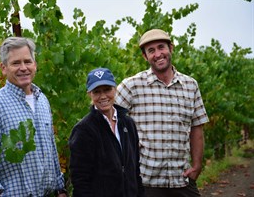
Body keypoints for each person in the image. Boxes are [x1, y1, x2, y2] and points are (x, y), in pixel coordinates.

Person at [115, 29, 209, 197]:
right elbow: (107, 121)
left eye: (161, 47)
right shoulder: (132, 86)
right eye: (151, 51)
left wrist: (196, 165)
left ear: (170, 48)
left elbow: (197, 128)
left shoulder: (190, 85)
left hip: (182, 179)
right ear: (145, 56)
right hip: (146, 182)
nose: (158, 54)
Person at [0, 37, 67, 197]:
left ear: (35, 65)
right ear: (4, 68)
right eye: (16, 63)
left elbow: (51, 150)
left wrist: (61, 190)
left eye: (27, 61)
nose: (23, 68)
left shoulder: (42, 100)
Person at [69, 68, 145, 197]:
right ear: (89, 94)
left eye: (107, 89)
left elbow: (135, 170)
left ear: (115, 89)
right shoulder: (83, 130)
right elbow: (80, 181)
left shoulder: (128, 123)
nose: (103, 96)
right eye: (97, 92)